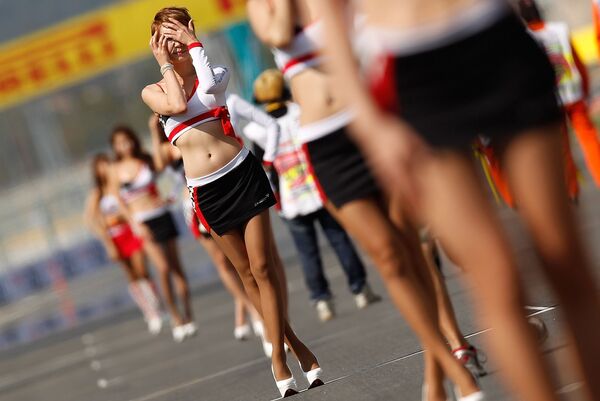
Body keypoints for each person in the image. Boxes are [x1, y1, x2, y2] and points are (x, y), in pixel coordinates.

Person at [319, 1, 600, 400]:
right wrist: (370, 126)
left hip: (494, 38)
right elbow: (331, 16)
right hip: (411, 72)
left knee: (563, 256)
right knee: (496, 278)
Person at [247, 1, 485, 399]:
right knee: (387, 256)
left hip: (373, 122)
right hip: (326, 146)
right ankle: (449, 371)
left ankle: (437, 368)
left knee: (414, 249)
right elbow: (278, 35)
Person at [141, 7, 321, 397]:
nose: (174, 44)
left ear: (190, 32)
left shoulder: (214, 71)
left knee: (263, 267)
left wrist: (193, 45)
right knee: (245, 274)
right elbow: (174, 106)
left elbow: (207, 92)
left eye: (178, 33)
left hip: (243, 174)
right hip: (207, 192)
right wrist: (166, 64)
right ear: (156, 44)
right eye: (164, 37)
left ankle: (276, 359)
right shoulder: (153, 92)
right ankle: (296, 346)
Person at [244, 69, 383, 323]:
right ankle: (360, 289)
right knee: (339, 238)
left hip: (289, 196)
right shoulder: (299, 114)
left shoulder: (258, 130)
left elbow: (266, 167)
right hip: (319, 187)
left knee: (307, 252)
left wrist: (275, 199)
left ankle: (322, 300)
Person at [148, 114, 264, 342]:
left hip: (220, 191)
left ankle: (245, 308)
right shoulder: (171, 143)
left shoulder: (199, 125)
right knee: (223, 262)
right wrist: (154, 129)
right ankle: (250, 310)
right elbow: (160, 164)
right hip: (194, 204)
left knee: (240, 257)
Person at [109, 126, 196, 342]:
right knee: (163, 268)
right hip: (142, 223)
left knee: (177, 269)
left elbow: (167, 173)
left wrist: (169, 196)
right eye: (120, 143)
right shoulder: (115, 169)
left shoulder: (146, 159)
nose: (125, 146)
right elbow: (118, 199)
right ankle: (175, 317)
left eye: (127, 141)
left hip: (162, 215)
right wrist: (133, 222)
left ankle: (188, 314)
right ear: (114, 146)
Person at [84, 154, 163, 335]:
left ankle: (156, 305)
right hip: (115, 237)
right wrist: (105, 238)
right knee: (132, 276)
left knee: (142, 269)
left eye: (106, 164)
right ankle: (149, 312)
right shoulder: (98, 193)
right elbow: (91, 219)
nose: (105, 169)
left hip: (130, 231)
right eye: (100, 166)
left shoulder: (119, 186)